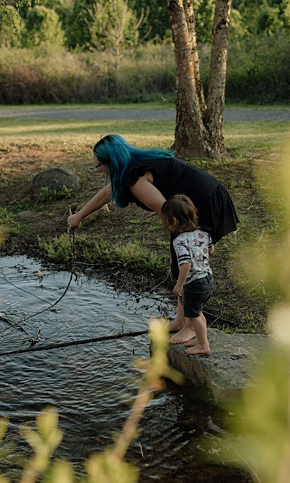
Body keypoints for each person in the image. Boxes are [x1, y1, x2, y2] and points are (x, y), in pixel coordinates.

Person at [68, 134, 239, 344]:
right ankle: (180, 320)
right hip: (190, 204)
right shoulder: (132, 166)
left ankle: (189, 327)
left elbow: (166, 212)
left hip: (203, 202)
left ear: (111, 162)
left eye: (98, 166)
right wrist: (78, 216)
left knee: (188, 265)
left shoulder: (134, 178)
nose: (99, 170)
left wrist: (187, 245)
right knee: (180, 262)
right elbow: (105, 194)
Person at [161, 195, 213, 355]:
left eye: (165, 221)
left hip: (194, 282)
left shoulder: (179, 241)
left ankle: (203, 345)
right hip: (208, 278)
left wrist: (179, 284)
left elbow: (185, 264)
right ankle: (200, 337)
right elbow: (211, 249)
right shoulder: (203, 233)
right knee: (198, 311)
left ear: (174, 221)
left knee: (193, 315)